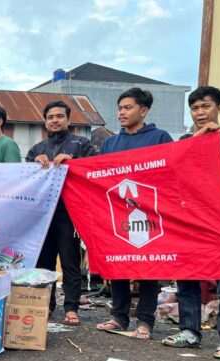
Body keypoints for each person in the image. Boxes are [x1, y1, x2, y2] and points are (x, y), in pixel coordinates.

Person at [163, 86, 220, 360]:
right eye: (195, 108)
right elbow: (172, 169)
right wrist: (199, 138)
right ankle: (190, 332)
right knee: (187, 280)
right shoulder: (185, 141)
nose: (200, 113)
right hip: (187, 221)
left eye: (206, 106)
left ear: (219, 108)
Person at [94, 88, 173, 339]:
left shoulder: (160, 138)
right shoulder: (110, 143)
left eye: (128, 108)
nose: (121, 113)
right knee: (118, 264)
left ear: (144, 110)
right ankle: (119, 317)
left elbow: (172, 171)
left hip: (149, 214)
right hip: (118, 214)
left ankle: (145, 320)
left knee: (149, 267)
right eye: (119, 108)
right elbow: (97, 175)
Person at [26, 100, 97, 327]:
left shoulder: (82, 144)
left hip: (70, 214)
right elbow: (25, 179)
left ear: (68, 119)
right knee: (43, 264)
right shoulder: (37, 149)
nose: (55, 120)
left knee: (70, 262)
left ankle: (71, 308)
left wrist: (74, 163)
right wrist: (34, 165)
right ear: (45, 122)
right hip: (42, 218)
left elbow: (95, 170)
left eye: (59, 116)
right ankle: (46, 306)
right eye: (50, 117)